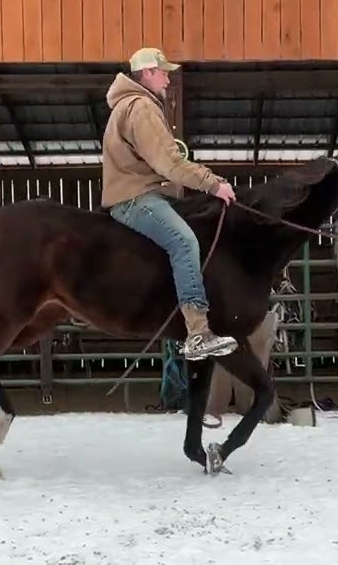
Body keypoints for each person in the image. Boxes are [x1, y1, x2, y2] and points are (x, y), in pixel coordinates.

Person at [100, 47, 239, 361]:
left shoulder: (128, 106)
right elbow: (169, 164)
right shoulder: (141, 108)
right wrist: (213, 184)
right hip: (137, 198)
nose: (168, 77)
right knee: (184, 241)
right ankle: (198, 332)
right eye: (163, 71)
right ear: (147, 73)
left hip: (137, 195)